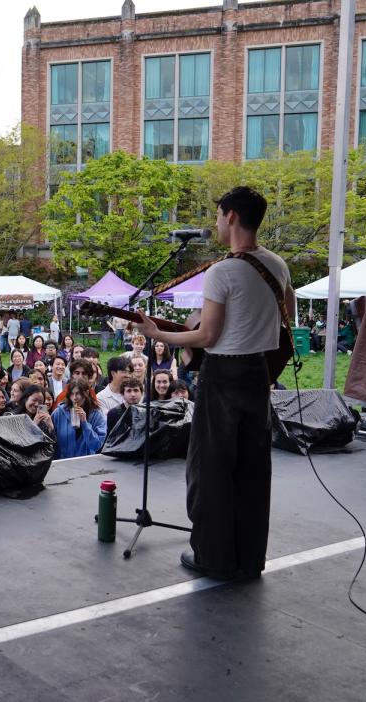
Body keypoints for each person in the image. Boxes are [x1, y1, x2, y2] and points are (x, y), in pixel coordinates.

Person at [137, 186, 291, 581]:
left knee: (210, 468)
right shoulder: (277, 264)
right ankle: (249, 558)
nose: (216, 224)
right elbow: (285, 311)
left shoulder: (223, 271)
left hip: (223, 376)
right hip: (258, 375)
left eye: (218, 216)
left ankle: (213, 556)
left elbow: (206, 337)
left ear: (232, 216)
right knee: (253, 469)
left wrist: (159, 335)